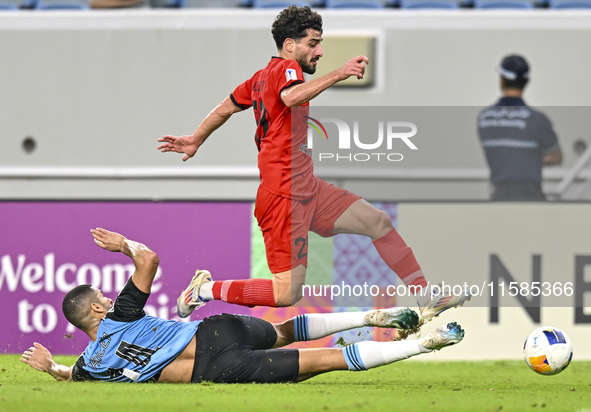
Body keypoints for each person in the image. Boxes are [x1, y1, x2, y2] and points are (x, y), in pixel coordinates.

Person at [157, 5, 470, 319]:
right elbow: (291, 97)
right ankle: (204, 290)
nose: (319, 51)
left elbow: (224, 109)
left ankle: (425, 295)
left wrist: (196, 138)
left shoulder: (258, 80)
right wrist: (340, 72)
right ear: (290, 45)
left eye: (320, 43)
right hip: (283, 198)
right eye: (313, 43)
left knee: (378, 223)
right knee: (286, 294)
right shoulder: (286, 70)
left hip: (309, 189)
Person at [20, 228, 465, 384]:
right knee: (288, 328)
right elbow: (149, 259)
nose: (107, 299)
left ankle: (425, 345)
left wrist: (49, 368)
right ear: (98, 311)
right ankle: (369, 316)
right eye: (101, 298)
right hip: (214, 332)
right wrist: (124, 245)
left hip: (215, 369)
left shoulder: (92, 365)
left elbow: (70, 374)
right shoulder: (121, 314)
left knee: (326, 362)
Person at [478, 54, 562, 201]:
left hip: (499, 196)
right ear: (527, 81)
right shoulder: (537, 119)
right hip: (532, 197)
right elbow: (556, 157)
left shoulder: (484, 118)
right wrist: (530, 158)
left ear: (501, 80)